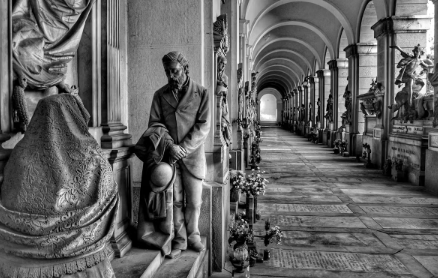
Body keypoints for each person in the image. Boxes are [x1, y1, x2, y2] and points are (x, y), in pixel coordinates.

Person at [0, 92, 118, 278]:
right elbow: (108, 193)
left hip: (21, 262)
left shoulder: (19, 154)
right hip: (81, 263)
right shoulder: (91, 156)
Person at [136, 51, 210, 258]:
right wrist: (170, 146)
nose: (171, 76)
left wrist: (183, 148)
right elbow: (154, 125)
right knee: (174, 201)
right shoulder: (159, 95)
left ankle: (193, 235)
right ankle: (179, 239)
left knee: (195, 202)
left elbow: (203, 126)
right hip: (168, 156)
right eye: (167, 72)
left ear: (185, 69)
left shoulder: (202, 93)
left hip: (193, 156)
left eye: (174, 71)